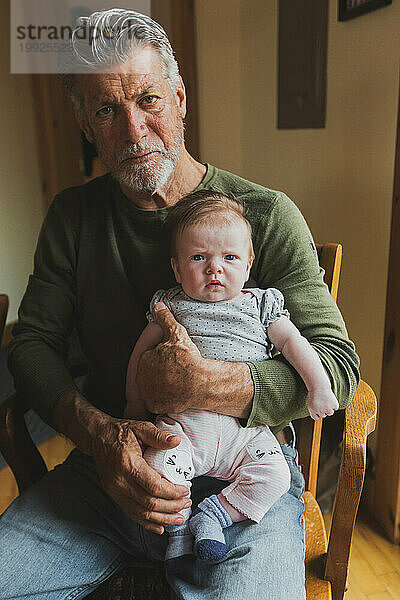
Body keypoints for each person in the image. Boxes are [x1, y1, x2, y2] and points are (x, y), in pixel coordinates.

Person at [0, 8, 359, 600]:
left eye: (148, 100)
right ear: (85, 126)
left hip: (243, 483)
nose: (134, 131)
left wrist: (210, 385)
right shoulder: (74, 218)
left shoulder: (266, 216)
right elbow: (32, 345)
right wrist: (101, 437)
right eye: (107, 111)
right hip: (110, 471)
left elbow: (339, 369)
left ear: (181, 97)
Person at [124, 190, 339, 570]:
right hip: (185, 430)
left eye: (229, 257)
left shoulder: (260, 305)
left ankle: (216, 515)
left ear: (248, 264)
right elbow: (139, 358)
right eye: (198, 257)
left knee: (274, 475)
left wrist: (318, 385)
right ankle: (178, 531)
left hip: (248, 433)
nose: (214, 269)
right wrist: (134, 404)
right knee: (160, 464)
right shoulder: (169, 306)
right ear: (176, 269)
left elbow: (294, 342)